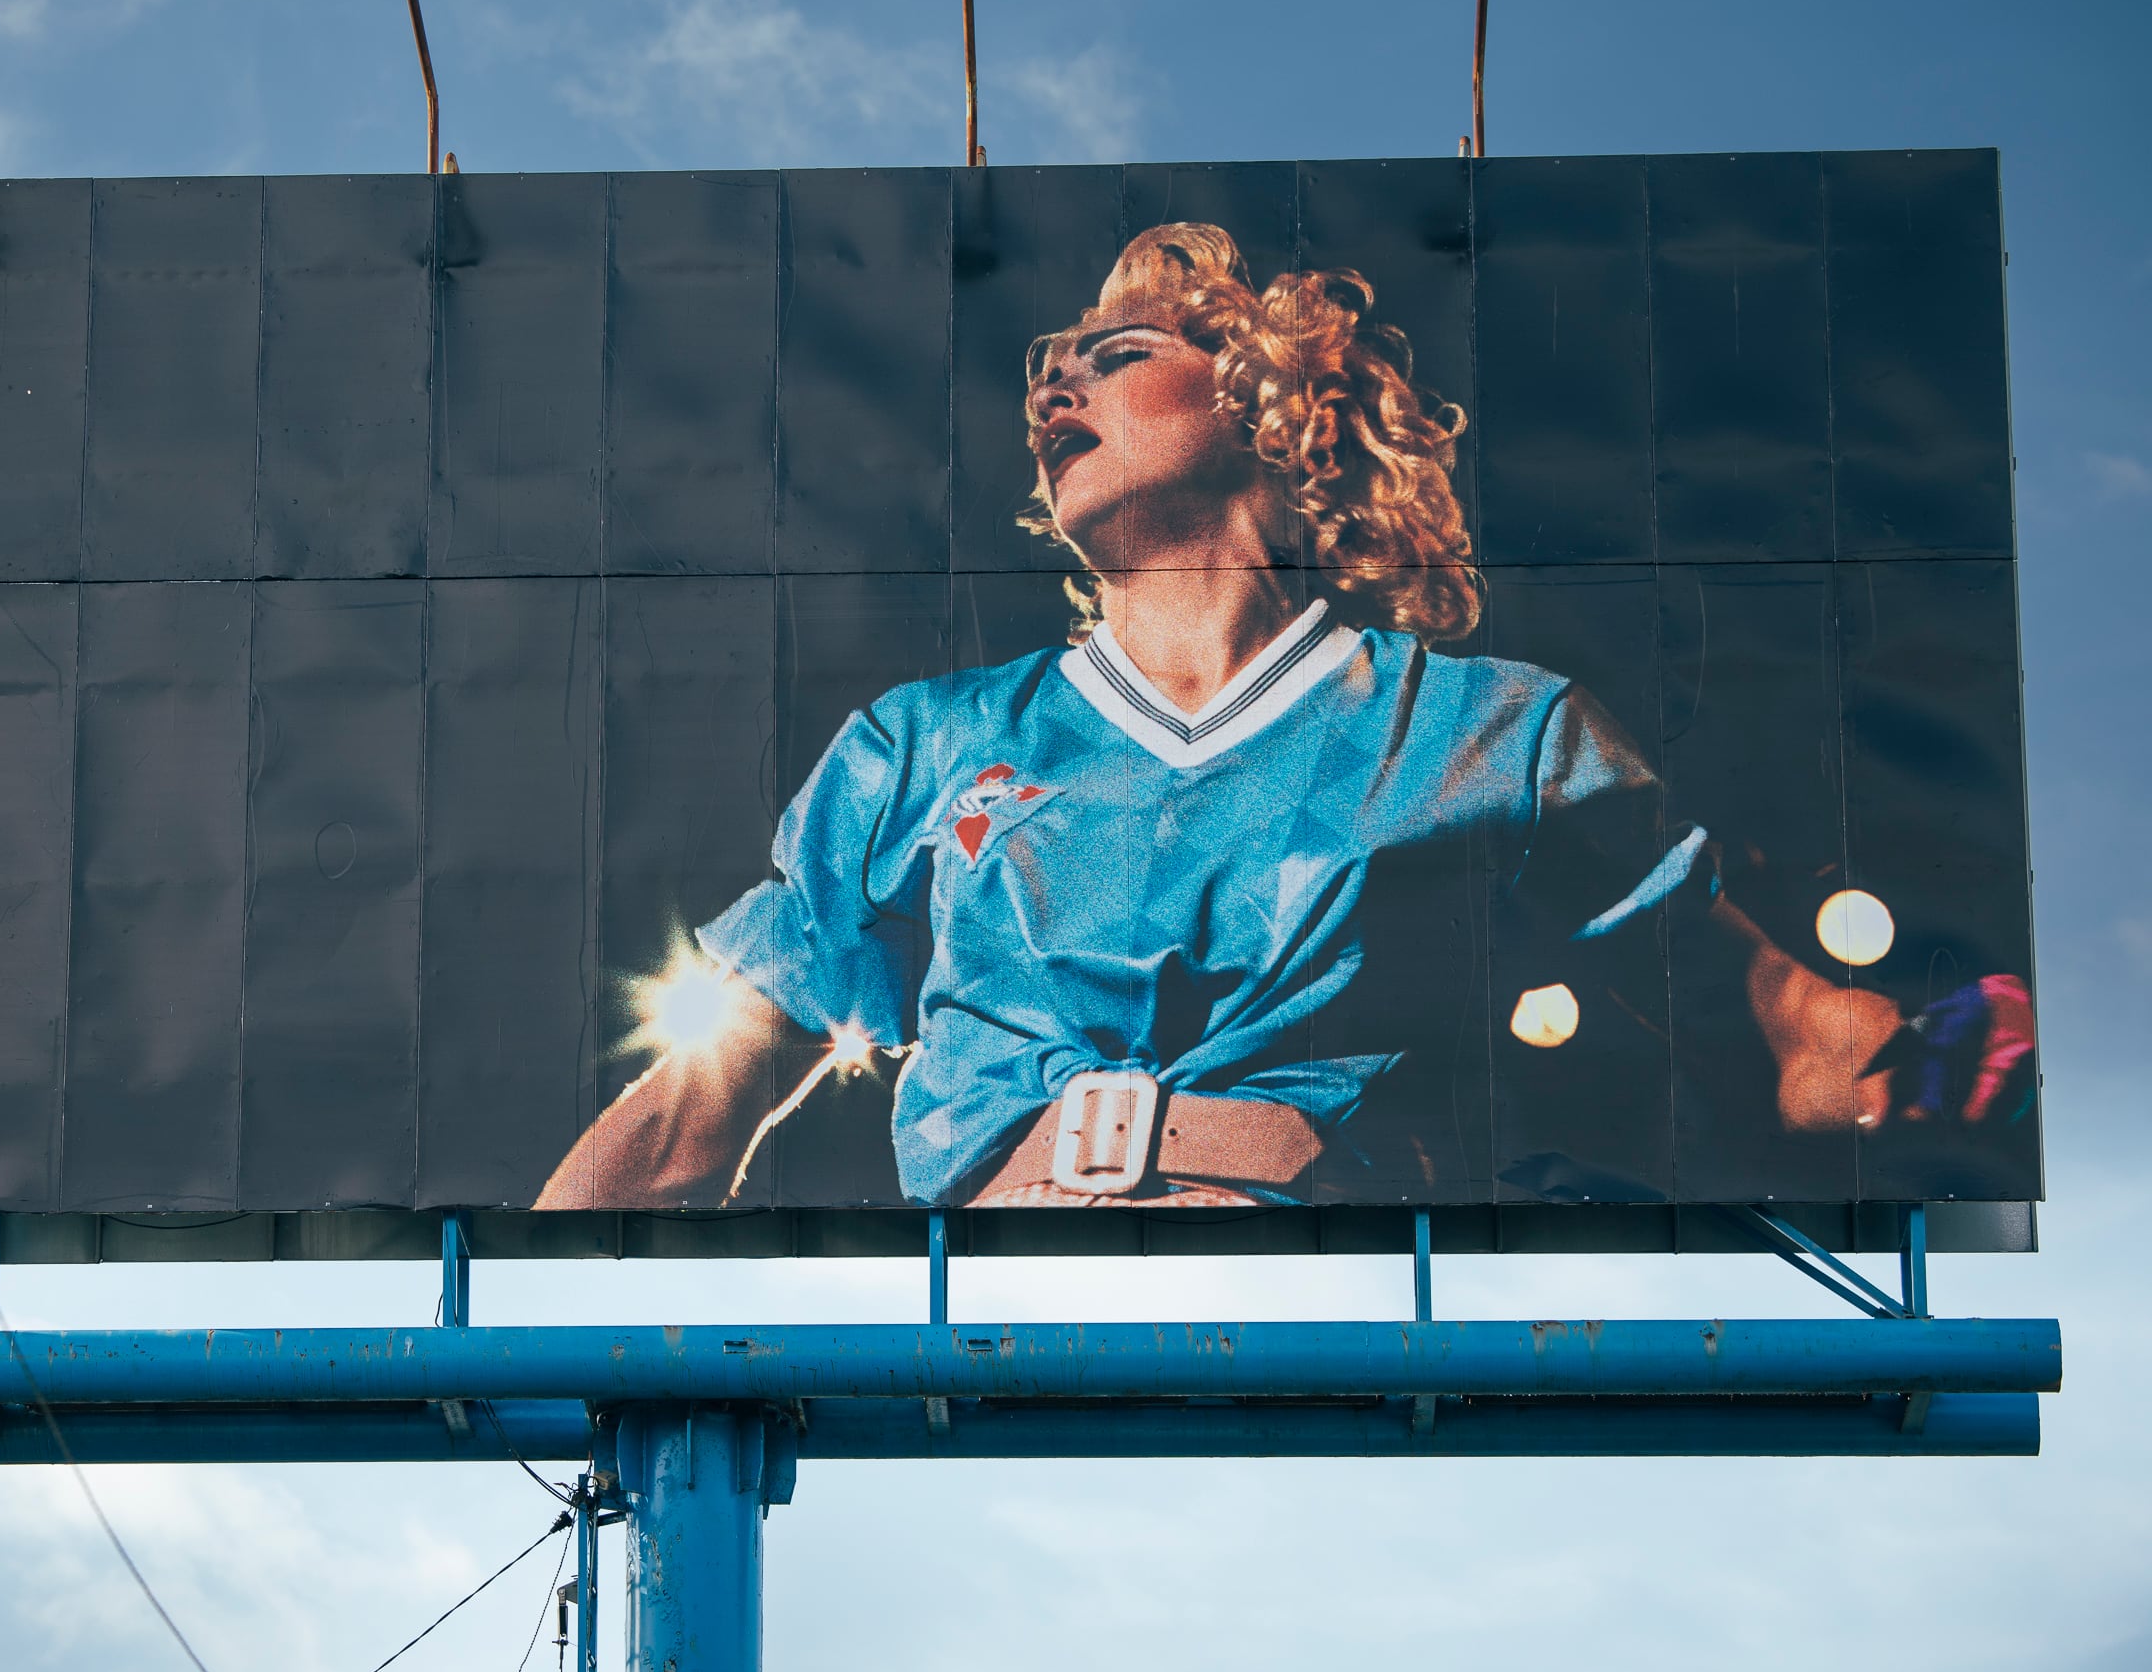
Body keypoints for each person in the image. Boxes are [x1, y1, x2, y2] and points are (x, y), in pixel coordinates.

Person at [536, 223, 2033, 1211]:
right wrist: (496, 1349)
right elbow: (689, 1117)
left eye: (1114, 352)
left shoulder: (1491, 734)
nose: (1056, 374)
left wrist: (1911, 1046)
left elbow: (1780, 1023)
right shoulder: (919, 743)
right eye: (1050, 362)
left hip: (1339, 1354)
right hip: (997, 1364)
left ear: (1270, 402)